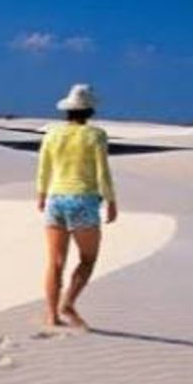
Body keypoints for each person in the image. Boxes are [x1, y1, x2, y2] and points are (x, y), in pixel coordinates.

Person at [36, 83, 118, 329]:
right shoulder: (96, 135)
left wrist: (41, 195)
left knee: (55, 262)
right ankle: (68, 303)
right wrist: (111, 201)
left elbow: (44, 168)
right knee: (88, 259)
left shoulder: (51, 134)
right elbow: (103, 171)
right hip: (84, 199)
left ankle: (52, 315)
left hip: (56, 199)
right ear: (90, 110)